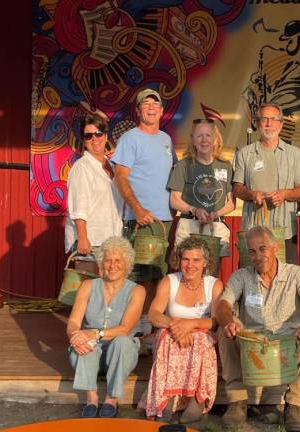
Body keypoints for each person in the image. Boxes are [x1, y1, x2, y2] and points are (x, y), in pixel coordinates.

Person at [216, 226, 300, 432]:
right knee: (224, 329)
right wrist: (229, 321)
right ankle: (237, 401)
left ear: (276, 247)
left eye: (263, 249)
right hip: (252, 341)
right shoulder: (241, 276)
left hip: (289, 341)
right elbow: (223, 304)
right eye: (252, 251)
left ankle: (295, 403)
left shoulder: (297, 274)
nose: (257, 256)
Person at [141, 237, 223, 423]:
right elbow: (153, 314)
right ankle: (167, 398)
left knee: (202, 340)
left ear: (206, 263)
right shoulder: (169, 281)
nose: (190, 265)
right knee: (165, 336)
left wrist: (190, 324)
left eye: (196, 260)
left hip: (199, 337)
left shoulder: (214, 284)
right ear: (179, 261)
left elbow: (216, 321)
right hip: (173, 334)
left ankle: (197, 398)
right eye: (185, 259)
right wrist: (175, 326)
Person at [67, 236, 146, 418]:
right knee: (84, 343)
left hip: (119, 355)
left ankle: (111, 399)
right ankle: (91, 398)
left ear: (127, 264)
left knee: (123, 341)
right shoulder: (88, 286)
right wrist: (75, 336)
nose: (112, 265)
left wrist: (94, 333)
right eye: (108, 260)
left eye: (118, 260)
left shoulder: (137, 290)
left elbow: (125, 328)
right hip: (89, 352)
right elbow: (73, 322)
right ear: (101, 263)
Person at [233, 104, 300, 265]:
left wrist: (285, 194)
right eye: (264, 119)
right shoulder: (245, 154)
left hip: (285, 231)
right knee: (251, 282)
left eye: (274, 119)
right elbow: (237, 188)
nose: (269, 123)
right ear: (257, 123)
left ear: (281, 124)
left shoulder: (295, 154)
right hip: (253, 230)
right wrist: (251, 194)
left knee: (286, 282)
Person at [111, 88, 177, 280]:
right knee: (138, 277)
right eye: (145, 104)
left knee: (158, 274)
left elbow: (174, 175)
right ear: (138, 111)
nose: (151, 108)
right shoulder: (130, 139)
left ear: (162, 111)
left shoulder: (166, 140)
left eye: (155, 104)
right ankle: (136, 312)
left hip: (164, 220)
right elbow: (120, 177)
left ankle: (151, 312)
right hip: (141, 219)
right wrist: (138, 210)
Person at [167, 119, 235, 267]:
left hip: (215, 228)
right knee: (187, 273)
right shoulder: (183, 165)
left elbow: (231, 203)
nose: (204, 140)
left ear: (215, 138)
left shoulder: (225, 166)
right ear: (192, 139)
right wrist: (194, 210)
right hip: (188, 226)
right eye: (199, 136)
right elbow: (174, 199)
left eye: (208, 135)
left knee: (211, 276)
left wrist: (216, 214)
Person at [64, 114, 123, 270]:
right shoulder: (81, 167)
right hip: (91, 240)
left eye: (98, 133)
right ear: (83, 140)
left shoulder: (112, 166)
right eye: (88, 135)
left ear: (105, 135)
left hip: (111, 239)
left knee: (105, 291)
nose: (94, 139)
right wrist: (83, 238)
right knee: (86, 290)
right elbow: (78, 207)